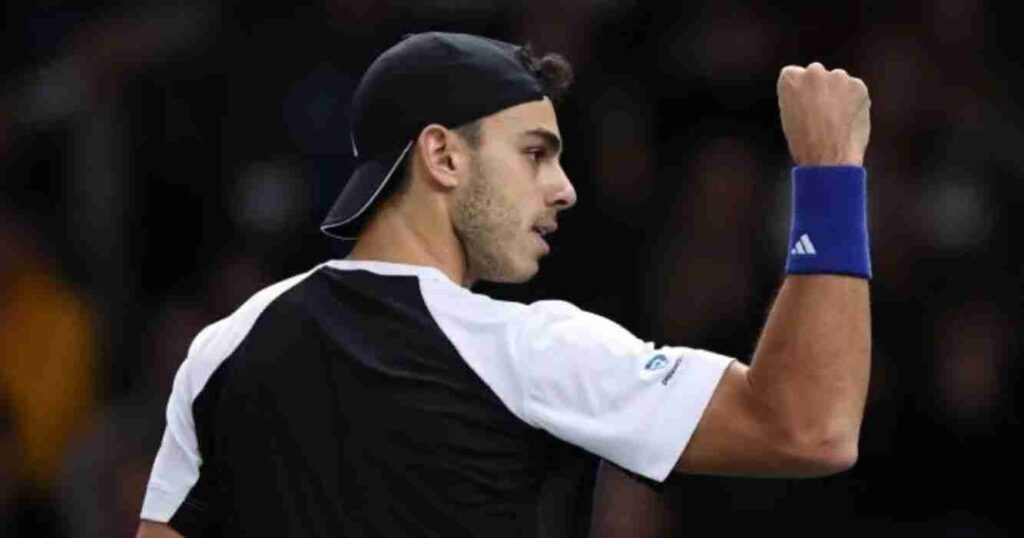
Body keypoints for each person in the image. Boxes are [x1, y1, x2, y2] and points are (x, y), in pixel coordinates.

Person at [137, 31, 872, 537]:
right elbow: (811, 425)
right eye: (535, 154)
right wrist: (830, 172)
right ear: (443, 157)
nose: (564, 189)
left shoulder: (222, 349)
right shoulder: (526, 352)